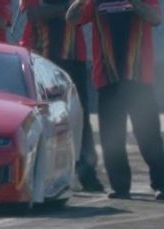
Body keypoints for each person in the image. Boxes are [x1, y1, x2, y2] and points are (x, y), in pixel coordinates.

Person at [66, 0, 164, 200]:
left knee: (149, 137)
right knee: (112, 138)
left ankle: (161, 184)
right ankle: (120, 188)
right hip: (108, 78)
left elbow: (155, 18)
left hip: (139, 78)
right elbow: (72, 20)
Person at [19, 0, 104, 192]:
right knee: (40, 115)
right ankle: (38, 172)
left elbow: (81, 16)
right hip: (40, 56)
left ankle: (86, 172)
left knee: (78, 116)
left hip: (73, 56)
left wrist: (56, 11)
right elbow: (33, 14)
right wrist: (64, 10)